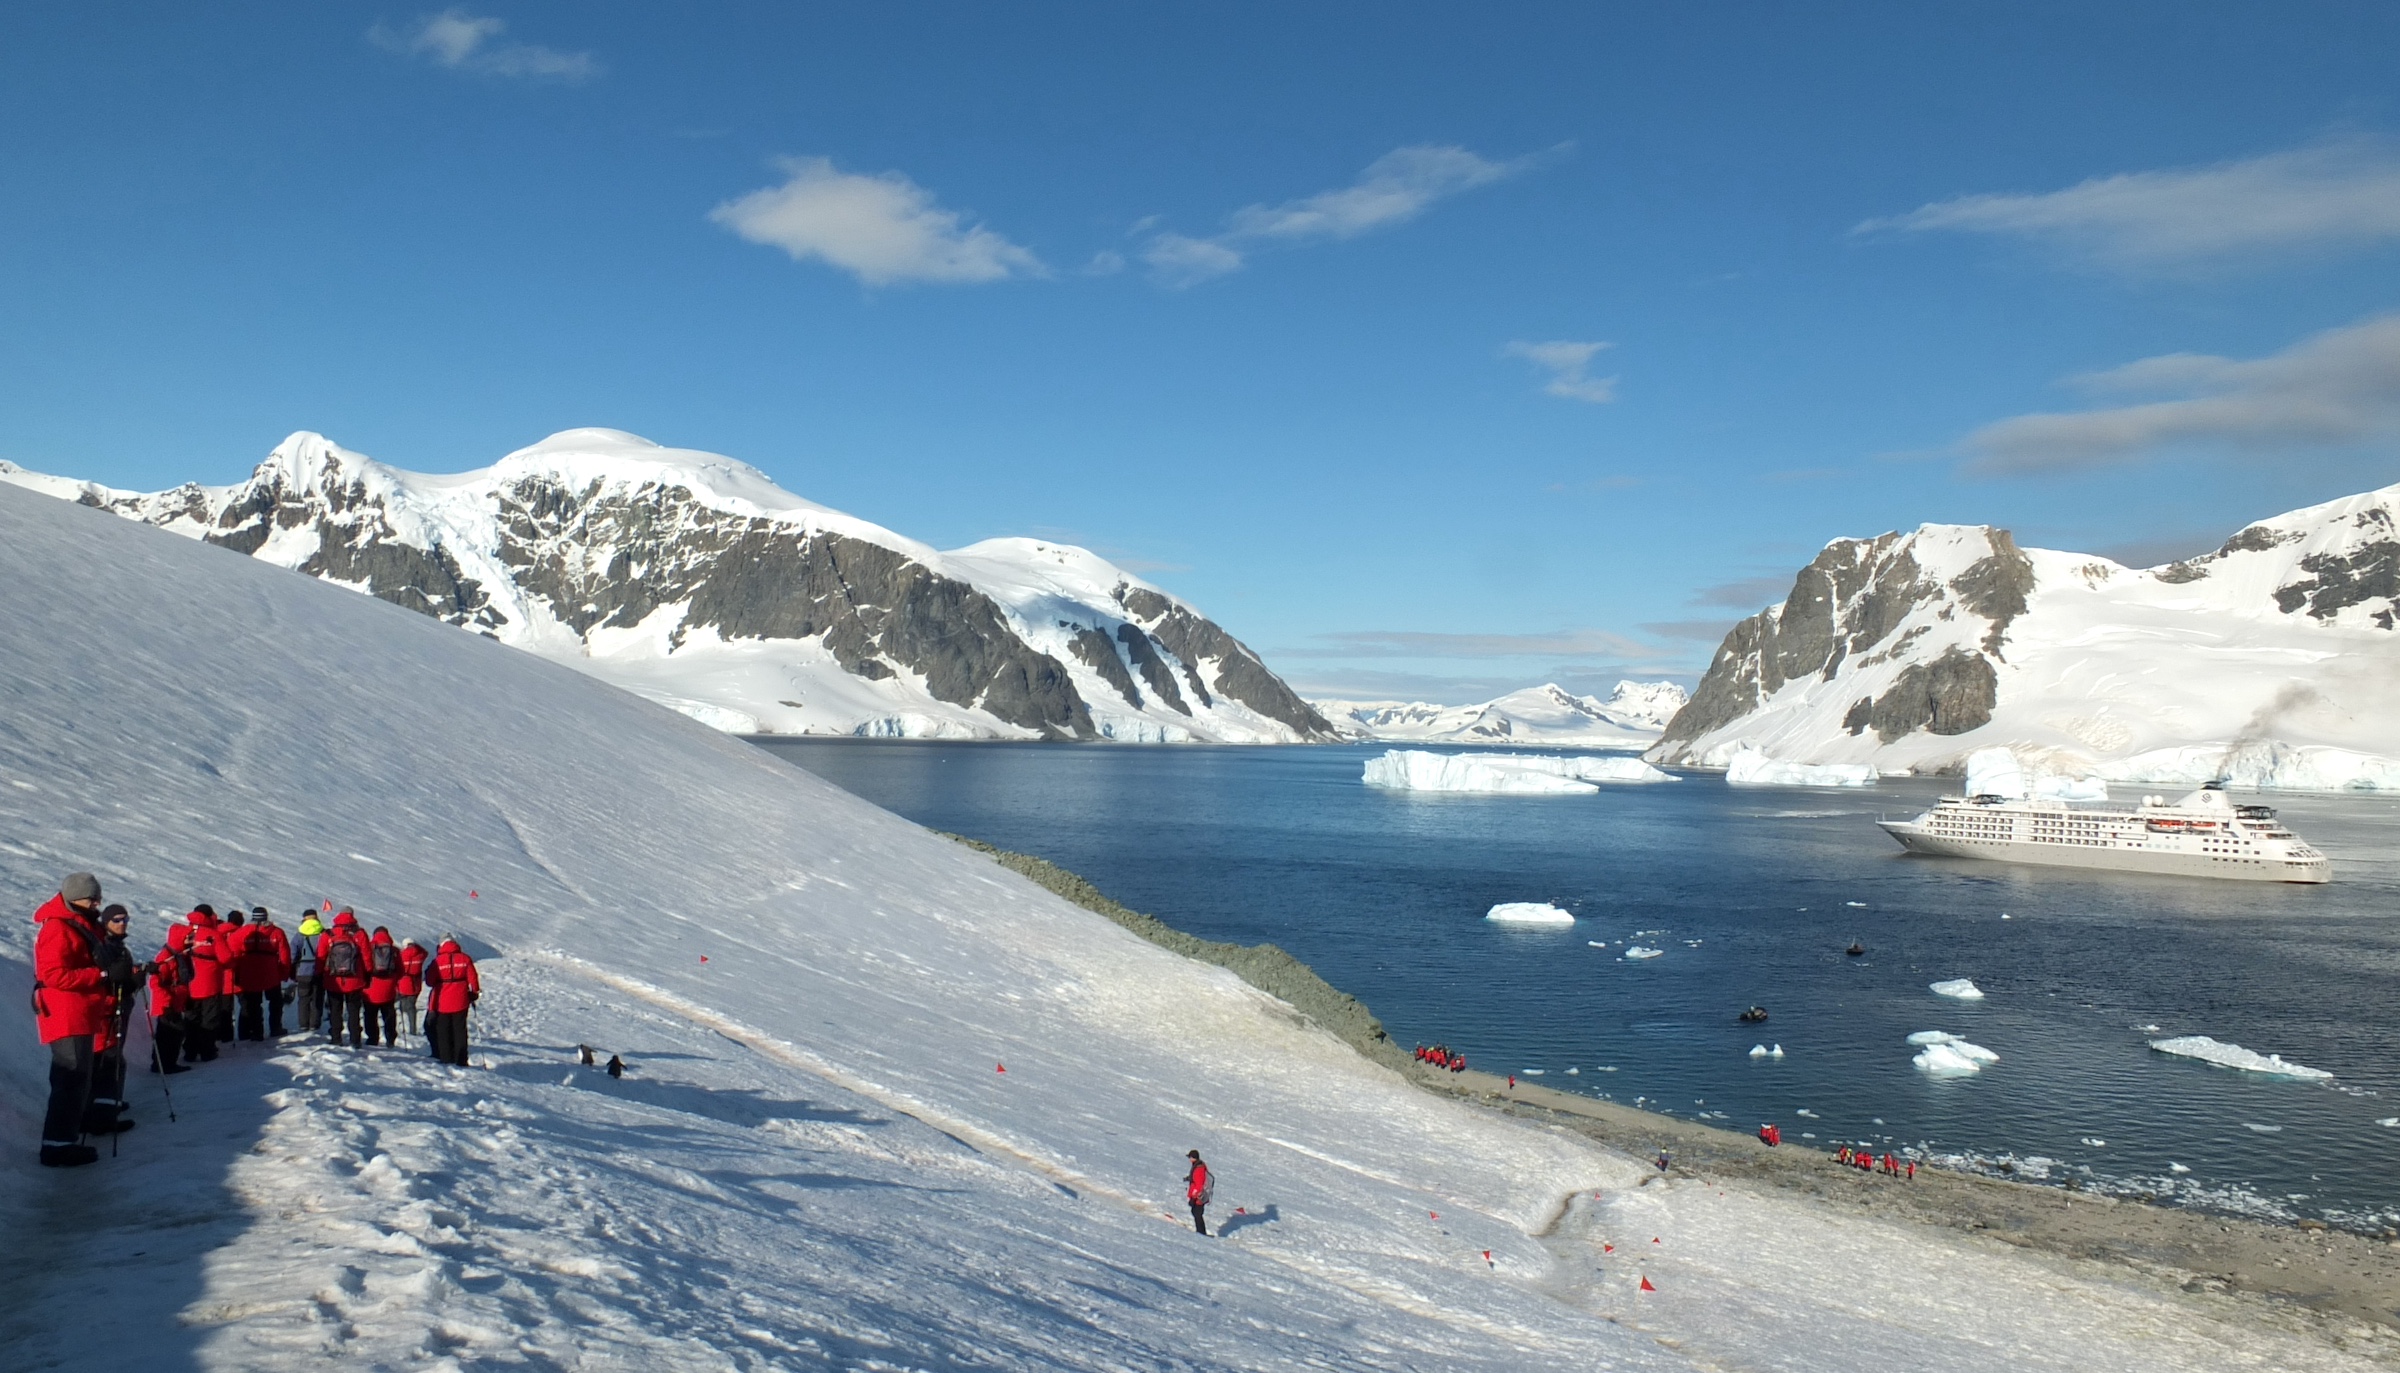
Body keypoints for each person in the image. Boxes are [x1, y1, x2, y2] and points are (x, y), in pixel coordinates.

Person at [32, 873, 115, 1166]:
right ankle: (57, 1146)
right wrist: (101, 974)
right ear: (73, 898)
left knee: (77, 1079)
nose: (96, 904)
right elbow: (52, 975)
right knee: (70, 1078)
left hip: (78, 1011)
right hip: (67, 1013)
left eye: (98, 899)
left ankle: (66, 1135)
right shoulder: (58, 927)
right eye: (91, 899)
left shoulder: (78, 923)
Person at [87, 904, 144, 1139]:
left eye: (126, 919)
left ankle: (106, 1106)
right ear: (106, 922)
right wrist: (131, 981)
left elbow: (122, 977)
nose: (123, 923)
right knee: (108, 1062)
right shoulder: (105, 947)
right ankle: (102, 1116)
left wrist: (136, 977)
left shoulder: (117, 946)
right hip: (108, 1011)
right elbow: (109, 979)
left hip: (116, 1008)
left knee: (111, 1060)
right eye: (117, 920)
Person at [318, 909, 373, 1048]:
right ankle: (355, 1039)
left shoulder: (328, 934)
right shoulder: (359, 934)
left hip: (333, 980)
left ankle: (336, 1037)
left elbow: (321, 956)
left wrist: (319, 973)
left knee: (335, 1010)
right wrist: (367, 973)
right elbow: (367, 956)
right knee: (354, 1011)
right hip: (355, 979)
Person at [423, 934, 480, 1066]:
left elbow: (430, 982)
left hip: (442, 1001)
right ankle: (461, 1059)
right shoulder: (465, 958)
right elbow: (473, 977)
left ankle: (446, 1058)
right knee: (460, 1030)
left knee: (443, 1031)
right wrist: (474, 992)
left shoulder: (438, 961)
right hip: (461, 1000)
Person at [182, 905, 228, 1056]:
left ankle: (190, 1050)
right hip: (210, 982)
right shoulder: (213, 934)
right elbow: (225, 958)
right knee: (209, 1017)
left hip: (189, 982)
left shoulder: (184, 933)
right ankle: (207, 1050)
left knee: (191, 1017)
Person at [363, 927, 401, 1046]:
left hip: (370, 988)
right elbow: (401, 970)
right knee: (389, 1015)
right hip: (388, 989)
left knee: (370, 1015)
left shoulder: (369, 947)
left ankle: (372, 1038)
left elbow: (364, 966)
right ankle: (390, 1038)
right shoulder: (394, 950)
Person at [291, 912, 323, 1033]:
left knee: (303, 999)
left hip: (303, 971)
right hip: (319, 970)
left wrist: (292, 970)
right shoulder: (323, 933)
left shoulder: (299, 935)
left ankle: (303, 1024)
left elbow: (293, 954)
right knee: (317, 998)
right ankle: (315, 1024)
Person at [396, 939, 427, 1039]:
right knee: (411, 1008)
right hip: (415, 986)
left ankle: (398, 1027)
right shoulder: (420, 955)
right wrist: (416, 945)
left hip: (402, 984)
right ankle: (413, 1029)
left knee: (400, 1005)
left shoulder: (401, 955)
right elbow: (425, 952)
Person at [1184, 1150, 1212, 1235]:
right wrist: (1189, 1178)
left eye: (1190, 1157)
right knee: (1196, 1212)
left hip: (1199, 1196)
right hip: (1199, 1195)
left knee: (1197, 1213)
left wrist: (1193, 1197)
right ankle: (1201, 1231)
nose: (1189, 1159)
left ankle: (1201, 1232)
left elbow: (1199, 1184)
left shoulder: (1199, 1168)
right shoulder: (1198, 1166)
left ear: (1193, 1158)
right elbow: (1196, 1178)